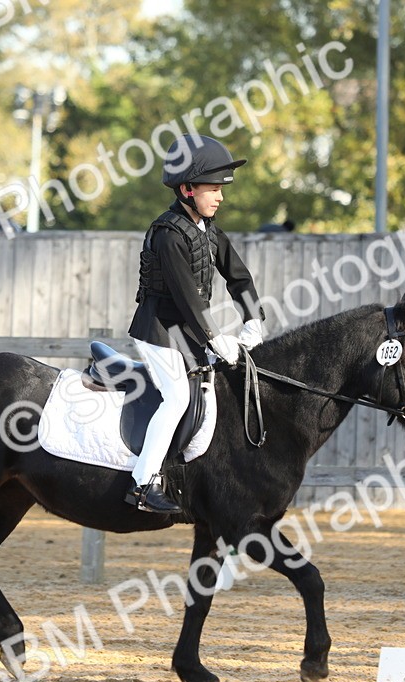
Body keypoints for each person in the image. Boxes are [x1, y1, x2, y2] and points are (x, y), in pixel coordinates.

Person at [126, 135, 266, 513]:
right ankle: (142, 485)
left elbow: (239, 277)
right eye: (213, 189)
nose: (220, 197)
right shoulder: (168, 234)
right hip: (158, 332)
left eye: (222, 189)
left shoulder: (210, 231)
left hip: (187, 333)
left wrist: (253, 317)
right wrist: (216, 337)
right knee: (177, 398)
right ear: (187, 188)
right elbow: (187, 296)